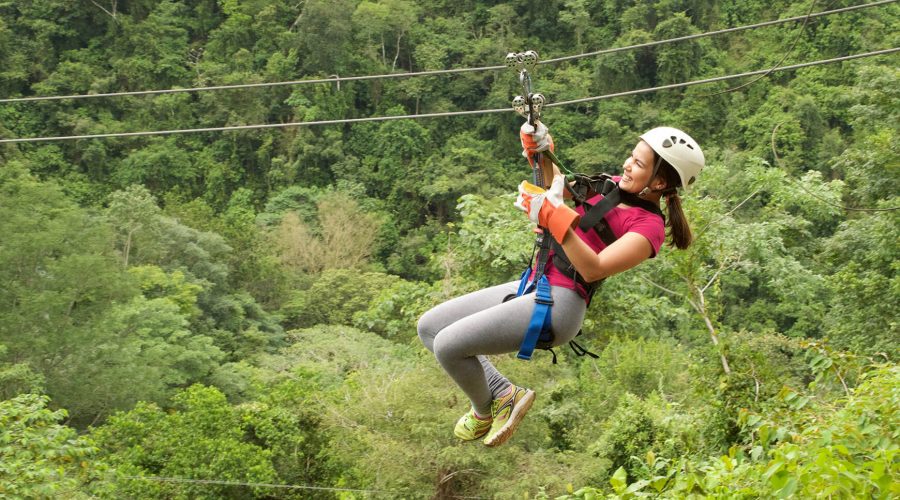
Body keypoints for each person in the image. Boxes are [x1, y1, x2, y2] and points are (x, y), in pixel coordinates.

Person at [416, 122, 704, 447]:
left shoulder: (649, 228)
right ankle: (503, 392)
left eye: (638, 164)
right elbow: (555, 185)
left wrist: (554, 217)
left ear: (660, 181)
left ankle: (485, 409)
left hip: (561, 304)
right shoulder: (608, 187)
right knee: (429, 327)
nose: (627, 164)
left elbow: (593, 268)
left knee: (448, 345)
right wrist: (540, 149)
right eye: (631, 156)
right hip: (536, 283)